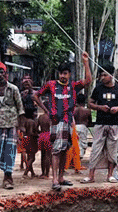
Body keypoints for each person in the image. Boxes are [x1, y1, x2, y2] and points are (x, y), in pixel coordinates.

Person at [37, 52, 92, 190]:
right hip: (56, 122)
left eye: (65, 73)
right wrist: (46, 109)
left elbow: (88, 80)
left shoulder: (73, 86)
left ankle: (61, 177)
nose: (63, 76)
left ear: (69, 74)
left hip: (68, 122)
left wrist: (86, 62)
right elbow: (36, 95)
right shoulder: (51, 85)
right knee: (56, 150)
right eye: (61, 73)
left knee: (64, 151)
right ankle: (55, 179)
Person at [84, 64, 118, 183]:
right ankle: (91, 175)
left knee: (112, 149)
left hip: (114, 123)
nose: (102, 77)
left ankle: (110, 175)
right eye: (101, 75)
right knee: (96, 148)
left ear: (111, 75)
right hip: (100, 122)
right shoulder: (98, 88)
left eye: (105, 75)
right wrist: (100, 107)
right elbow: (90, 103)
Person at [0, 61, 24, 190]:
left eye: (1, 72)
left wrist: (21, 126)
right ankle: (5, 174)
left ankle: (9, 176)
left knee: (11, 148)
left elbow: (20, 108)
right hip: (0, 124)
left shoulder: (13, 89)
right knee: (3, 148)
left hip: (13, 123)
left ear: (5, 73)